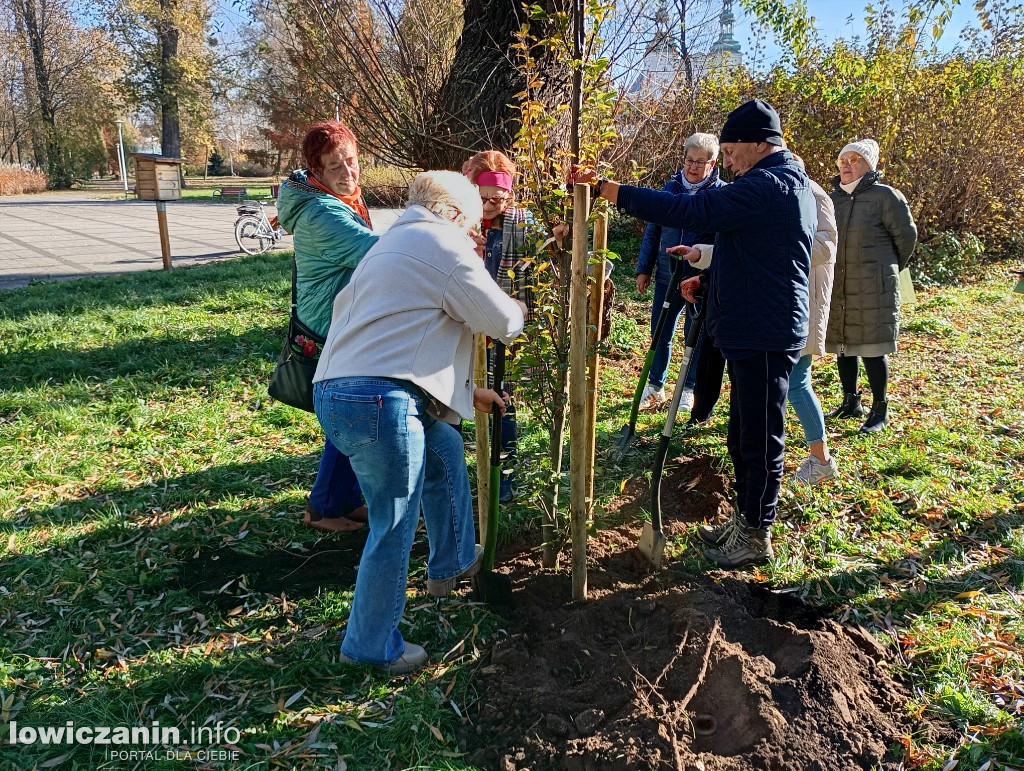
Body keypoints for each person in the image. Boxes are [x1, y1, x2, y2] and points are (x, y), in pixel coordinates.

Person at [573, 99, 815, 569]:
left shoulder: (769, 185)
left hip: (764, 330)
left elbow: (689, 207)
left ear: (757, 144)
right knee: (742, 431)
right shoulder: (776, 184)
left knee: (760, 436)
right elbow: (763, 254)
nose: (725, 161)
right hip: (754, 322)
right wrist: (709, 275)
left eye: (728, 151)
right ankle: (745, 519)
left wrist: (609, 190)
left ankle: (756, 533)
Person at [312, 171, 526, 674]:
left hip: (341, 389)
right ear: (452, 213)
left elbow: (396, 328)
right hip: (380, 402)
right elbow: (503, 323)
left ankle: (450, 564)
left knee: (444, 448)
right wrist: (517, 304)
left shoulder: (391, 242)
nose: (476, 233)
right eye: (472, 223)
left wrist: (464, 391)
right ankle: (369, 645)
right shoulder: (441, 244)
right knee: (393, 524)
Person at [276, 121, 380, 532]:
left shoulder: (340, 199)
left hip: (341, 319)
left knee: (352, 412)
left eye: (351, 161)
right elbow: (373, 251)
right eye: (335, 166)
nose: (347, 172)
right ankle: (324, 507)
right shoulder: (321, 211)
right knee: (350, 416)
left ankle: (346, 500)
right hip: (330, 326)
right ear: (315, 171)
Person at [826, 139, 917, 433]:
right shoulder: (833, 199)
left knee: (872, 348)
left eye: (854, 160)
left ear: (869, 165)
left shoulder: (886, 197)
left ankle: (880, 408)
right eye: (843, 160)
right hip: (839, 282)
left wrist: (885, 269)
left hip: (873, 286)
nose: (846, 166)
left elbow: (906, 238)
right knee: (843, 344)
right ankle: (850, 401)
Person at [635, 133, 725, 410]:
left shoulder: (720, 193)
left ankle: (688, 387)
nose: (693, 167)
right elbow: (653, 230)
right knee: (660, 331)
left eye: (700, 162)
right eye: (689, 160)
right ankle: (656, 385)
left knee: (693, 334)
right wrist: (644, 268)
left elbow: (721, 239)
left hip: (699, 279)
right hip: (666, 274)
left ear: (713, 163)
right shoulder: (670, 188)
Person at [461, 150, 531, 502]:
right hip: (464, 324)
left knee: (504, 397)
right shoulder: (461, 223)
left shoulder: (521, 225)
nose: (489, 205)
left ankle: (504, 475)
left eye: (497, 199)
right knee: (460, 396)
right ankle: (460, 473)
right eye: (483, 198)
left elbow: (547, 259)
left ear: (510, 194)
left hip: (501, 326)